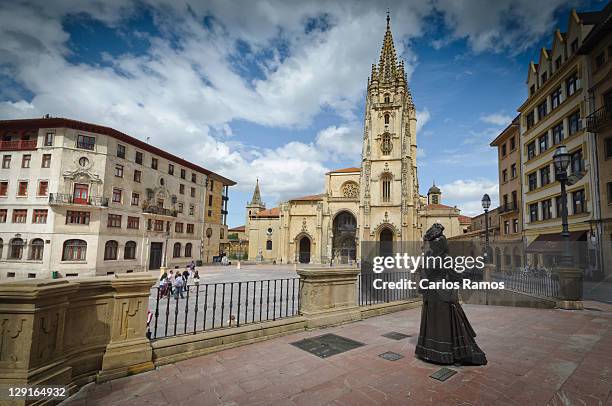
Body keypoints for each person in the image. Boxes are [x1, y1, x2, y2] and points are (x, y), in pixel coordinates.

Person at [415, 223, 487, 366]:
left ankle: (431, 352)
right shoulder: (445, 258)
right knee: (445, 324)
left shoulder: (428, 256)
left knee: (432, 323)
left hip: (430, 294)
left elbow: (423, 273)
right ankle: (445, 353)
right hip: (443, 294)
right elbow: (455, 276)